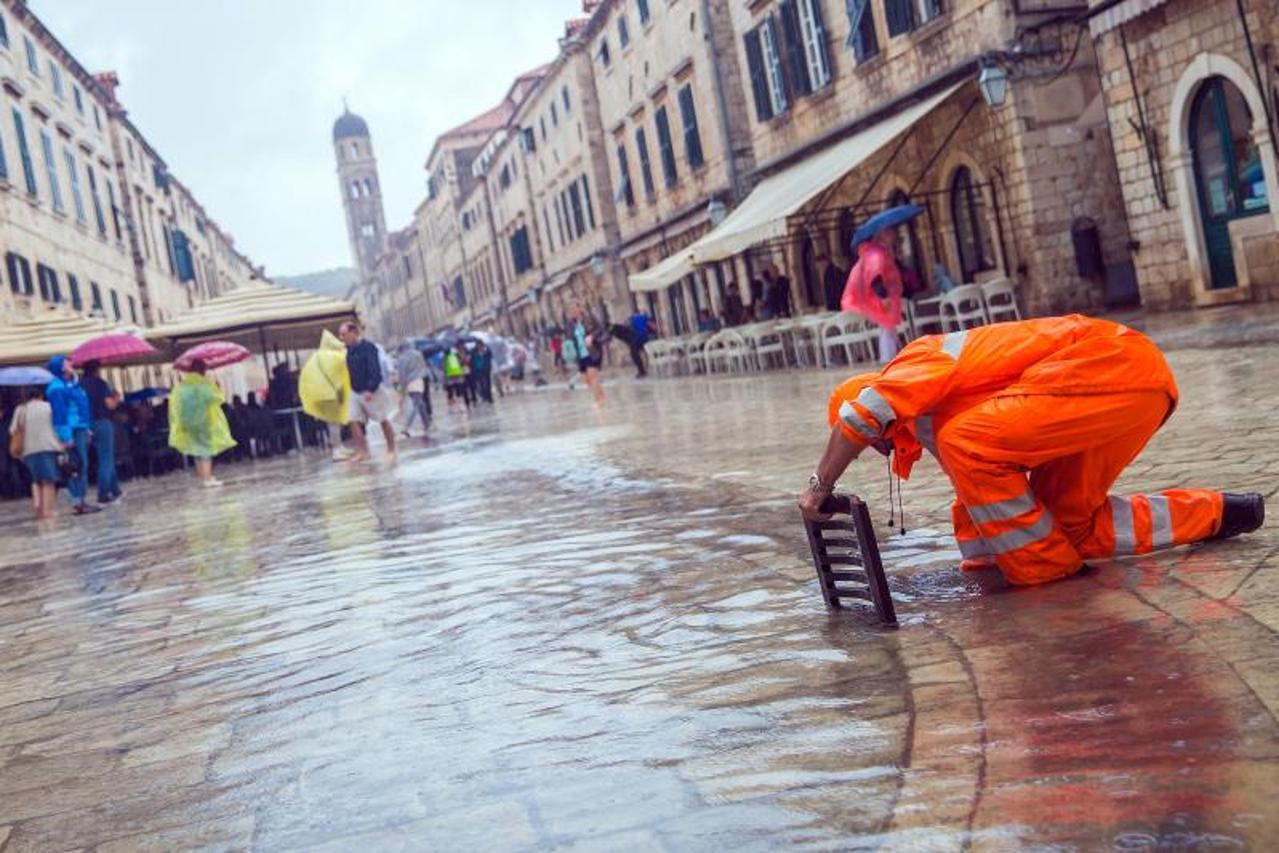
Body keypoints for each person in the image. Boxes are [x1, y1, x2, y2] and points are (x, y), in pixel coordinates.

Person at [797, 315, 1266, 587]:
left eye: (873, 442)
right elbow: (981, 500)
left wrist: (820, 485)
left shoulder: (912, 365)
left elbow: (862, 416)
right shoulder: (941, 419)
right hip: (1137, 382)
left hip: (1106, 369)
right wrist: (979, 572)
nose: (878, 449)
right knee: (1067, 526)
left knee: (968, 445)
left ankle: (1052, 577)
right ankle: (1222, 513)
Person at [168, 359, 236, 487]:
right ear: (202, 370)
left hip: (188, 422)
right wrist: (217, 387)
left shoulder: (183, 386)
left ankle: (202, 477)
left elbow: (176, 404)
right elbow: (218, 399)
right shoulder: (204, 385)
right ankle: (207, 479)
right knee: (205, 449)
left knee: (196, 449)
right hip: (204, 422)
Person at [841, 226, 904, 363]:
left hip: (877, 296)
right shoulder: (876, 253)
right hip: (878, 297)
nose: (893, 236)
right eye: (889, 233)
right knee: (887, 327)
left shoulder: (874, 252)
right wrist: (883, 296)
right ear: (882, 235)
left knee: (887, 327)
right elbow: (874, 275)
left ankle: (890, 357)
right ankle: (888, 359)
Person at [338, 320, 398, 464]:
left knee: (382, 419)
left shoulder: (368, 347)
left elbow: (375, 369)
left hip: (372, 390)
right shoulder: (348, 351)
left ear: (353, 333)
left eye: (344, 334)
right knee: (353, 420)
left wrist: (370, 388)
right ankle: (361, 451)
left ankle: (391, 449)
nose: (342, 338)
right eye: (341, 335)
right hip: (355, 390)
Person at [46, 355, 98, 515]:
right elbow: (59, 415)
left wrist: (88, 427)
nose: (71, 364)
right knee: (74, 466)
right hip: (72, 430)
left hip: (81, 428)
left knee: (81, 465)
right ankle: (78, 501)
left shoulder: (74, 385)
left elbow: (83, 407)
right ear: (61, 367)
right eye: (67, 362)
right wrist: (66, 437)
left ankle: (81, 499)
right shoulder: (57, 388)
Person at [8, 387, 63, 520]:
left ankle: (38, 508)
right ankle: (47, 511)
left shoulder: (21, 409)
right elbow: (57, 426)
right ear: (40, 395)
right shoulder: (48, 407)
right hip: (47, 447)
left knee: (36, 480)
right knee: (48, 481)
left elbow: (12, 430)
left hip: (27, 451)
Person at [299, 329, 353, 461]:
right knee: (334, 423)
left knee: (333, 422)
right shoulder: (332, 357)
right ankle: (336, 449)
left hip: (321, 395)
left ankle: (339, 446)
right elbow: (339, 374)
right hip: (331, 394)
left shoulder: (317, 357)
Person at [79, 361, 122, 504]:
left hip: (85, 425)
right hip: (102, 422)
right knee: (106, 458)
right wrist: (116, 398)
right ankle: (103, 493)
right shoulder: (100, 383)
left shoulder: (79, 385)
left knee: (101, 458)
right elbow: (110, 405)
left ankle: (115, 489)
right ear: (96, 370)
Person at [569, 301, 606, 405]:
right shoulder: (571, 324)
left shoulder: (589, 319)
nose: (573, 311)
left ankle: (598, 400)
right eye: (571, 310)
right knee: (586, 380)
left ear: (580, 308)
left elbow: (601, 329)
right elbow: (571, 337)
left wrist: (592, 336)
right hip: (581, 354)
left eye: (575, 308)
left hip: (592, 351)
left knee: (592, 376)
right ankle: (601, 395)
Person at [395, 344, 431, 437]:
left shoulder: (401, 358)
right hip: (419, 380)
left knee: (418, 403)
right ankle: (423, 424)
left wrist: (402, 388)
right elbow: (423, 367)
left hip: (409, 382)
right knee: (419, 403)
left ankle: (411, 426)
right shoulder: (418, 354)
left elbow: (401, 374)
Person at [627, 308, 655, 378]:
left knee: (636, 352)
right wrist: (654, 332)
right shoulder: (644, 317)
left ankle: (642, 369)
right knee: (642, 350)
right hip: (644, 336)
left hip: (637, 337)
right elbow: (652, 325)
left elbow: (629, 328)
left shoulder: (632, 319)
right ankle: (646, 366)